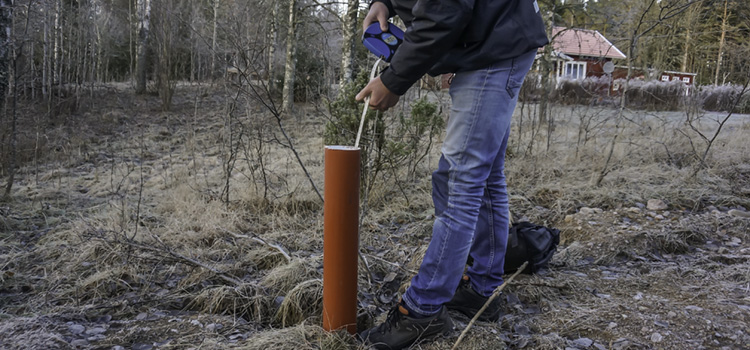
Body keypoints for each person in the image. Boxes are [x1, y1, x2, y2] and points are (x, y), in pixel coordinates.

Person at [354, 0, 548, 349]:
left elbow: (444, 12)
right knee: (484, 175)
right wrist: (382, 2)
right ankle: (481, 290)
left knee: (459, 181)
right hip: (492, 40)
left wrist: (394, 79)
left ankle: (422, 310)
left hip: (493, 46)